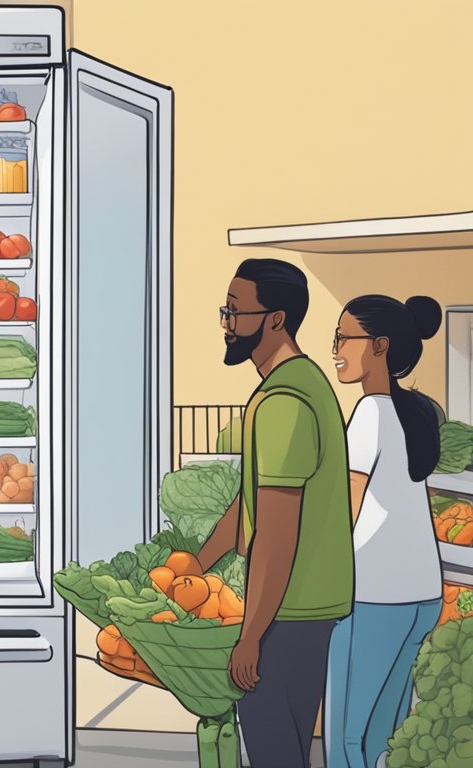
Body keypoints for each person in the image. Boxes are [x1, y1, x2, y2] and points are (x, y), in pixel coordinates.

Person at [194, 258, 353, 768]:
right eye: (225, 310)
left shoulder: (283, 401)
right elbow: (251, 502)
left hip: (290, 612)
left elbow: (277, 533)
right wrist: (197, 565)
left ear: (277, 319)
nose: (227, 324)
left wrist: (251, 635)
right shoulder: (301, 384)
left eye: (236, 312)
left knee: (274, 753)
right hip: (308, 607)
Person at [325, 295, 444, 768]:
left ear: (379, 346)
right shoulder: (413, 412)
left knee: (346, 739)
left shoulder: (371, 413)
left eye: (343, 337)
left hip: (373, 594)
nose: (334, 347)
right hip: (421, 596)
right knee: (382, 738)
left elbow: (343, 514)